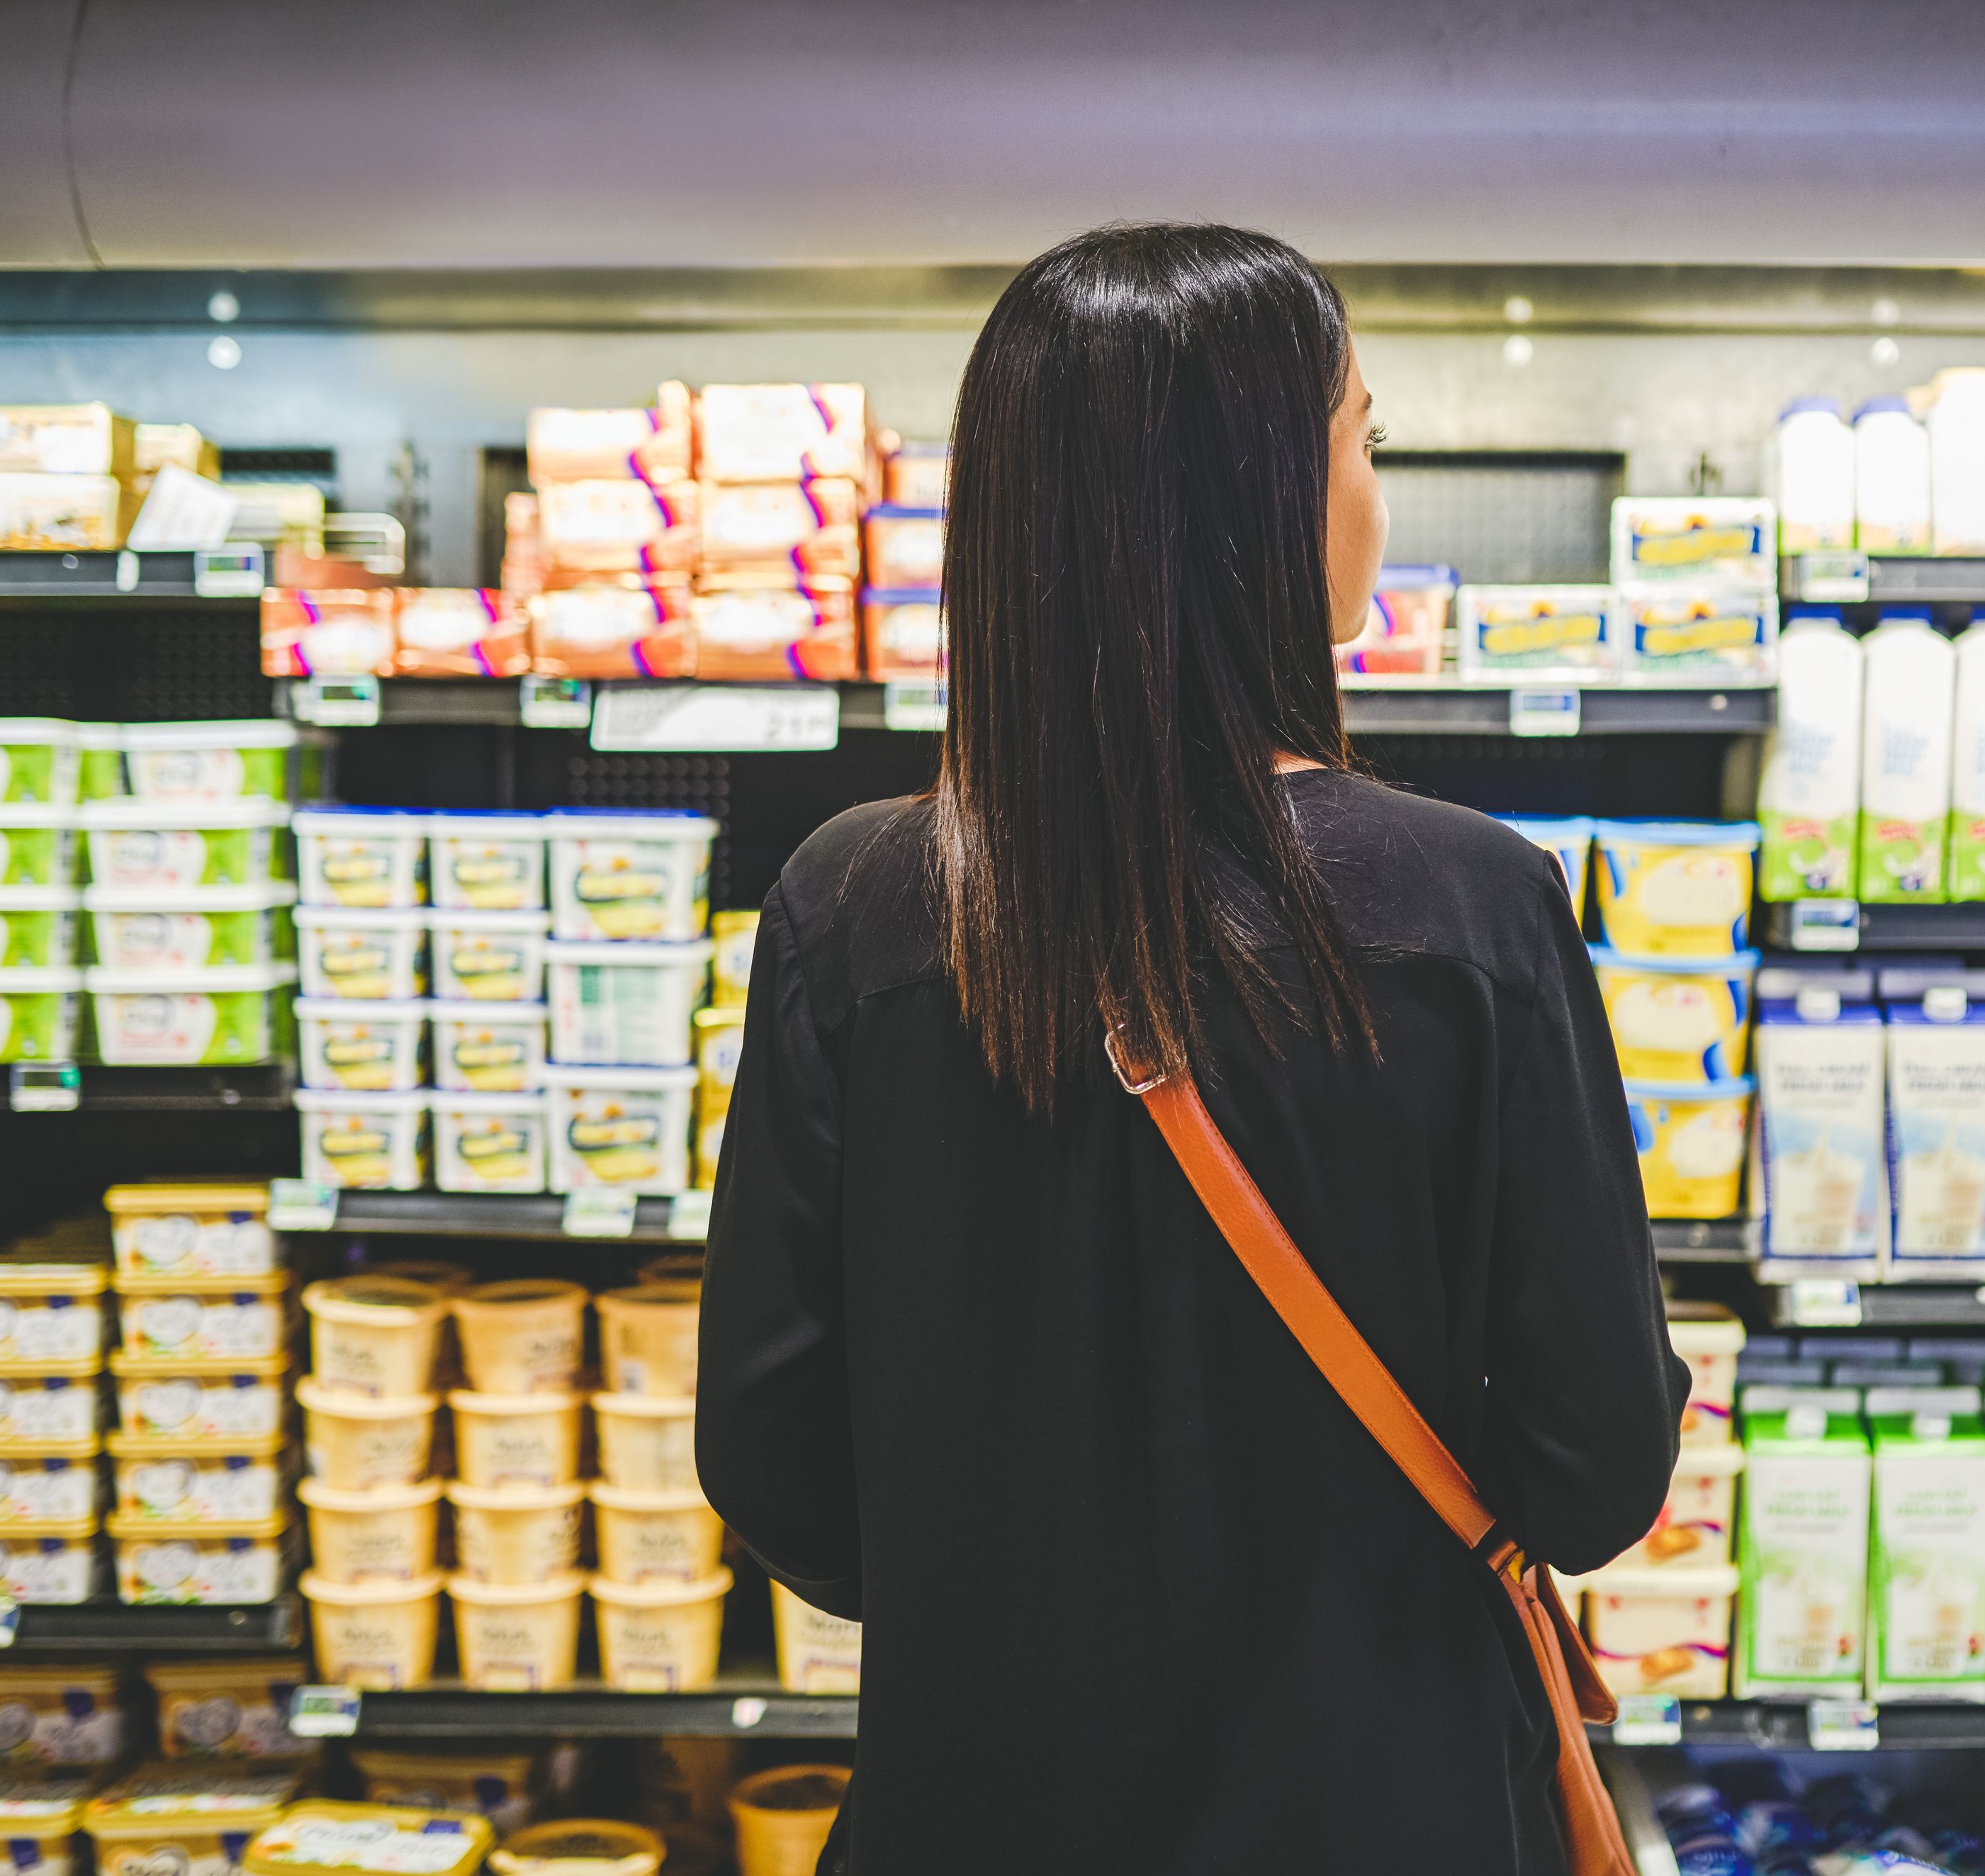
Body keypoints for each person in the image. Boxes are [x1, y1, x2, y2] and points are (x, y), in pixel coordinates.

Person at [697, 222, 1685, 1875]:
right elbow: (1593, 1469)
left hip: (977, 1810)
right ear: (1258, 508)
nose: (1377, 487)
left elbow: (772, 1458)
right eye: (1361, 439)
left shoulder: (848, 905)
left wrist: (997, 1581)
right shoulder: (1474, 907)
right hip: (1390, 1809)